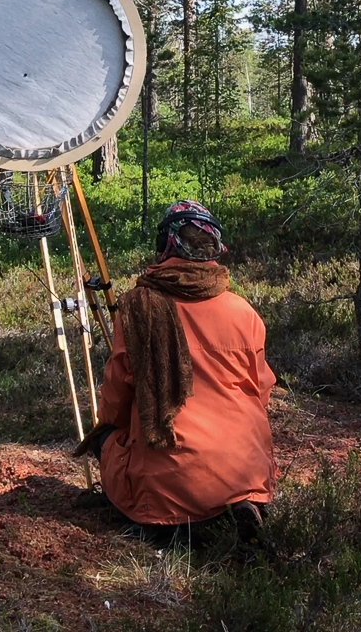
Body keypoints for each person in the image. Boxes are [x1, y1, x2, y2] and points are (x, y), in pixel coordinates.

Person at [75, 200, 277, 542]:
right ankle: (237, 504)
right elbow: (262, 391)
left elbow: (116, 399)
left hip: (169, 485)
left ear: (165, 246)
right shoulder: (244, 312)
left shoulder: (139, 306)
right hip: (246, 469)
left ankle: (173, 511)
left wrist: (110, 432)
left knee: (108, 440)